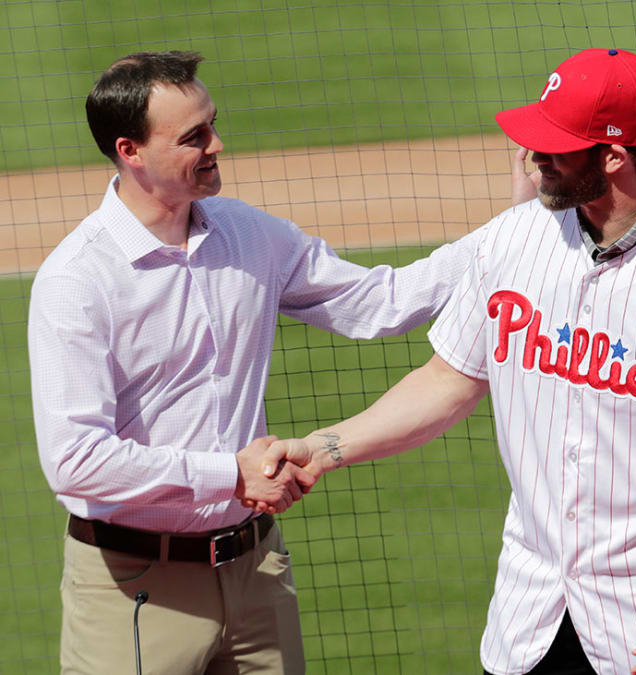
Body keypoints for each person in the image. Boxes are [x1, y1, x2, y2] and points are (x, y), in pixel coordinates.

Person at [262, 48, 636, 675]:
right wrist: (325, 448)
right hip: (531, 617)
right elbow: (448, 380)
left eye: (555, 145)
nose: (532, 157)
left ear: (613, 156)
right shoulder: (513, 240)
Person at [28, 50, 483, 673]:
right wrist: (228, 475)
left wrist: (508, 234)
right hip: (134, 590)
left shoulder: (247, 234)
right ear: (130, 151)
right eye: (194, 137)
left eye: (212, 123)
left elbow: (381, 302)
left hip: (255, 572)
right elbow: (75, 462)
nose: (218, 144)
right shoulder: (77, 281)